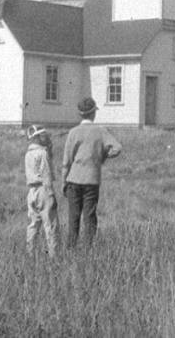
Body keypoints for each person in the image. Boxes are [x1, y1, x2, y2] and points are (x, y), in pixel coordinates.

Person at [62, 97, 122, 248]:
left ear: (80, 114)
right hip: (92, 179)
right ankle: (88, 250)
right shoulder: (100, 131)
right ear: (93, 113)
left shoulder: (73, 132)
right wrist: (102, 156)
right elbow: (117, 148)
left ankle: (71, 249)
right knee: (89, 217)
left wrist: (64, 182)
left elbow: (66, 161)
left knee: (73, 218)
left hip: (73, 180)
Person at [24, 124, 59, 257]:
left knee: (33, 224)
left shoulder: (28, 153)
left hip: (31, 192)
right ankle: (53, 256)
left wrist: (50, 149)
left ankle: (30, 253)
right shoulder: (42, 153)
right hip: (43, 190)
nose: (46, 137)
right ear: (37, 137)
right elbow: (46, 174)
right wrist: (51, 194)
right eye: (43, 135)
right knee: (51, 225)